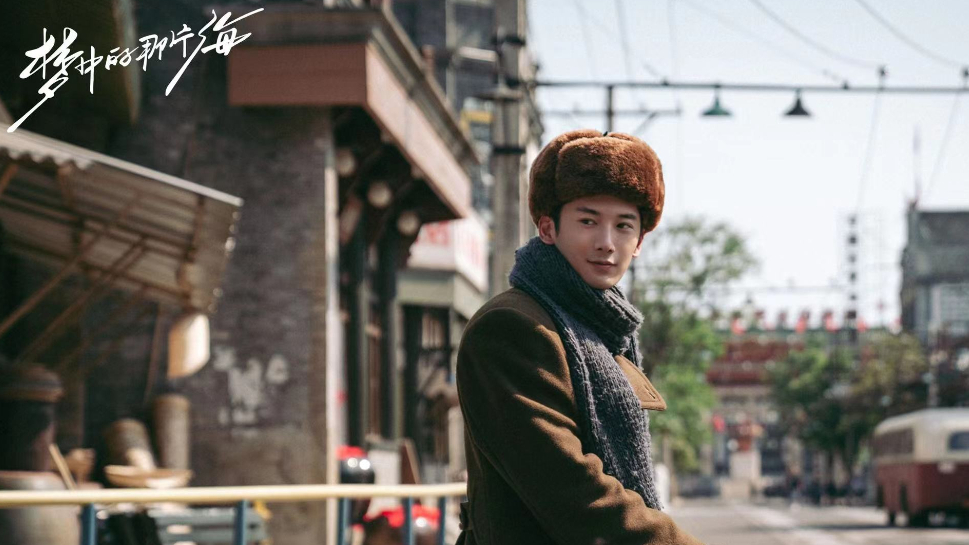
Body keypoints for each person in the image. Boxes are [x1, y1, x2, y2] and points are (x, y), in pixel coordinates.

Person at [455, 129, 704, 545]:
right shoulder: (512, 327)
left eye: (623, 226)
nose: (606, 243)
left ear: (639, 242)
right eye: (588, 221)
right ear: (548, 228)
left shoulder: (607, 332)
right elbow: (574, 494)